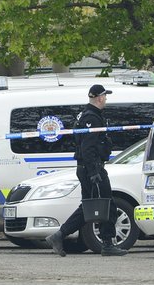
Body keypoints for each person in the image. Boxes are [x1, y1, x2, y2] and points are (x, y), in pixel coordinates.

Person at [44, 84, 126, 257]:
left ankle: (59, 235)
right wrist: (94, 171)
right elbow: (87, 147)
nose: (106, 100)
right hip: (92, 168)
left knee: (90, 207)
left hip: (88, 167)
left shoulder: (87, 115)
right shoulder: (92, 118)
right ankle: (107, 243)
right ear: (100, 98)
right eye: (105, 96)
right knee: (107, 204)